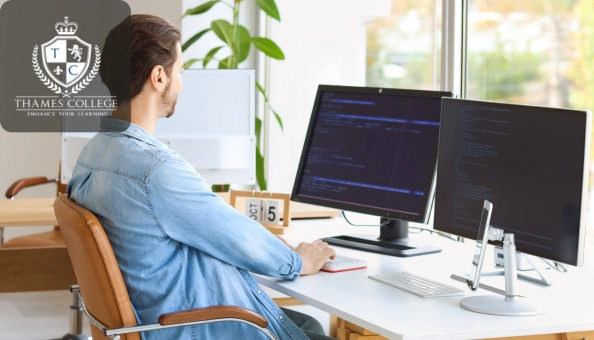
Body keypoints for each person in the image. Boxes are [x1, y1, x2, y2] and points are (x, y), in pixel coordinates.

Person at [67, 14, 337, 340]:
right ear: (158, 77)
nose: (181, 83)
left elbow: (223, 228)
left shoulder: (90, 155)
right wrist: (298, 261)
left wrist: (266, 244)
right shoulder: (154, 170)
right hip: (185, 325)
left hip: (149, 320)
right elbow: (239, 240)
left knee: (307, 325)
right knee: (311, 331)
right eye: (179, 71)